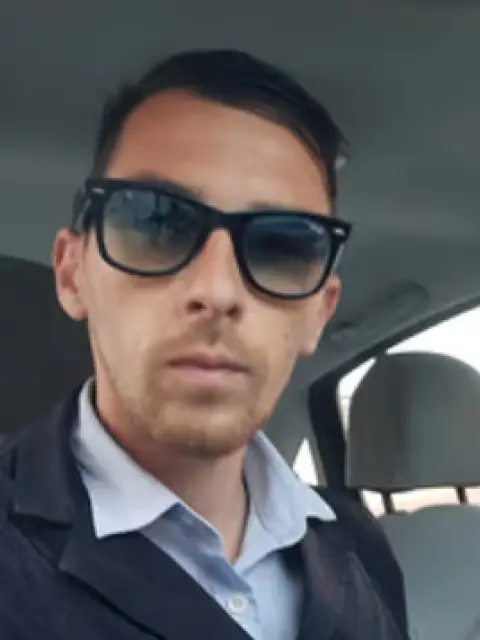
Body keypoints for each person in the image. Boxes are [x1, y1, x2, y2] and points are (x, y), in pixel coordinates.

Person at [0, 49, 409, 639]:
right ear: (72, 274)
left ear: (319, 312)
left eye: (282, 245)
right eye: (155, 222)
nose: (216, 291)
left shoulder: (358, 545)